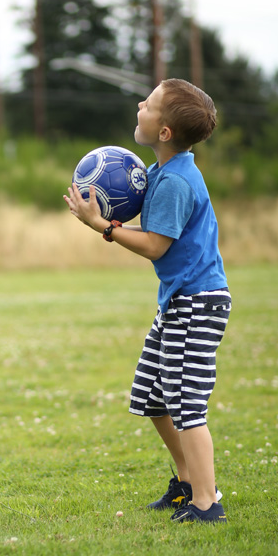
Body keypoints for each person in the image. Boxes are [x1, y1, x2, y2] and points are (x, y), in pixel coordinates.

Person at [64, 78, 231, 523]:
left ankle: (207, 503)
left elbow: (156, 245)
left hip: (198, 304)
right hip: (177, 302)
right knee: (152, 398)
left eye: (149, 103)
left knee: (187, 406)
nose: (140, 104)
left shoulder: (177, 181)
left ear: (164, 132)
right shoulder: (160, 173)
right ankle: (188, 483)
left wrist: (103, 226)